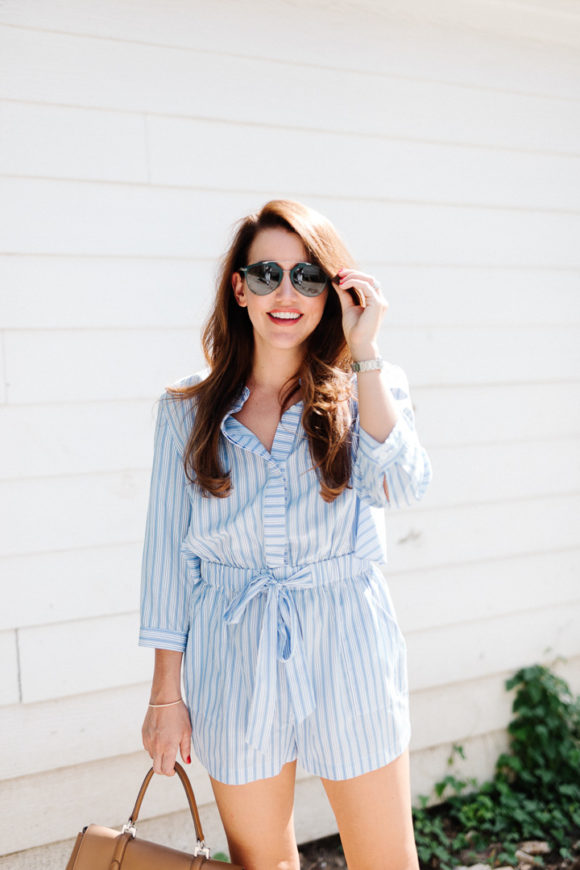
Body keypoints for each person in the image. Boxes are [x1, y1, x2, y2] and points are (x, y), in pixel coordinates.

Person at [139, 199, 432, 870]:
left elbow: (403, 486)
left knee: (385, 860)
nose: (285, 293)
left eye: (307, 277)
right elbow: (165, 562)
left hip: (347, 639)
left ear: (333, 293)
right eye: (267, 273)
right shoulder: (185, 411)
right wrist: (165, 697)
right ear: (239, 287)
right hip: (233, 647)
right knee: (260, 863)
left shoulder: (367, 388)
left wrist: (366, 352)